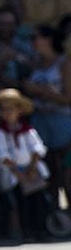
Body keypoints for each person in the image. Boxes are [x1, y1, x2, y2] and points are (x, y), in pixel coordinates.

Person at [21, 24, 71, 212]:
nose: (33, 42)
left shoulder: (64, 64)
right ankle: (52, 216)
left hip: (61, 122)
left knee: (66, 172)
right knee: (48, 171)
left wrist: (40, 91)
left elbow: (68, 98)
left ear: (48, 40)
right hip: (40, 121)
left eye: (36, 38)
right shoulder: (36, 64)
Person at [0, 89, 50, 240]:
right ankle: (25, 230)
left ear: (19, 111)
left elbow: (37, 148)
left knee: (39, 202)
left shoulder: (28, 130)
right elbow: (1, 155)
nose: (7, 113)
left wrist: (32, 168)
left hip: (32, 171)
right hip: (14, 175)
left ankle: (41, 230)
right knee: (21, 204)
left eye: (11, 109)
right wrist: (18, 173)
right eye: (4, 109)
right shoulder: (0, 132)